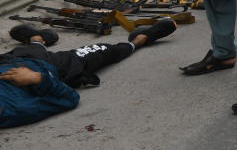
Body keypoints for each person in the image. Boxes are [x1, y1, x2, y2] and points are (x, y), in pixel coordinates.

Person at [0, 20, 176, 128]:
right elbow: (69, 98)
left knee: (31, 50)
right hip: (56, 68)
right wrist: (36, 78)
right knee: (104, 51)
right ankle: (141, 39)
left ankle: (37, 38)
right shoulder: (12, 111)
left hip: (12, 60)